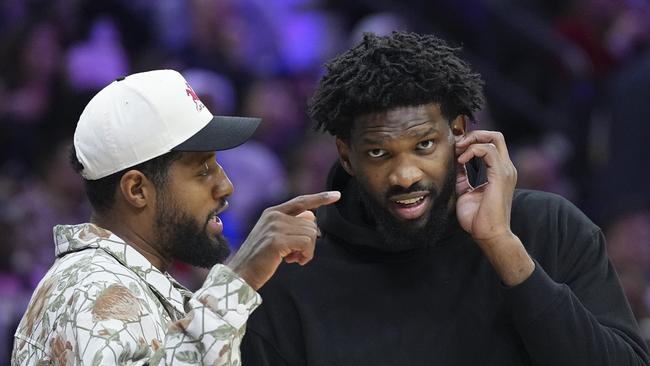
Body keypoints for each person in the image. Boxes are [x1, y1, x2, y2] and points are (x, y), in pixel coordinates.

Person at [241, 32, 650, 365]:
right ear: (346, 155)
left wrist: (502, 246)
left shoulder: (549, 227)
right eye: (379, 153)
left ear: (458, 131)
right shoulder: (296, 272)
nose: (405, 175)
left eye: (424, 145)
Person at [11, 69, 340, 365]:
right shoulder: (94, 292)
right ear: (138, 189)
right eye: (203, 170)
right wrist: (238, 281)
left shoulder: (120, 282)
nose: (226, 186)